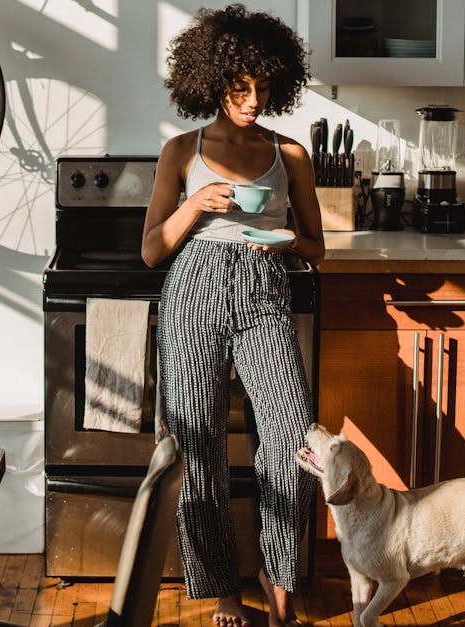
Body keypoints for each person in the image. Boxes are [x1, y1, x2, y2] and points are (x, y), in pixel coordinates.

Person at [141, 4, 324, 627]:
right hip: (193, 291)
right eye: (240, 88)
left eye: (263, 88)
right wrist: (195, 204)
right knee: (198, 445)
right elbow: (151, 251)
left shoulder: (290, 153)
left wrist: (287, 243)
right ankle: (223, 593)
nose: (252, 101)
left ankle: (281, 595)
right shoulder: (179, 152)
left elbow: (316, 246)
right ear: (212, 84)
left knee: (290, 435)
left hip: (265, 291)